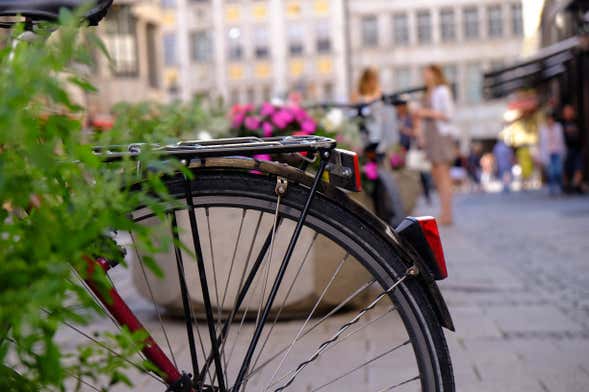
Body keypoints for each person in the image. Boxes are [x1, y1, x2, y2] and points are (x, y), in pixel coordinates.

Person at [413, 64, 457, 225]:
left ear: (435, 74)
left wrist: (426, 113)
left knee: (444, 175)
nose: (425, 76)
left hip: (440, 136)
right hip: (431, 136)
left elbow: (448, 114)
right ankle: (443, 212)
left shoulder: (442, 91)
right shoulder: (427, 93)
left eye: (428, 73)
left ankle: (447, 213)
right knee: (437, 177)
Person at [539, 111, 566, 195]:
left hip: (557, 151)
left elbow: (561, 140)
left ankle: (560, 188)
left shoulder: (558, 127)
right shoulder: (543, 129)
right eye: (548, 119)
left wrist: (564, 151)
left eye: (551, 119)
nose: (550, 121)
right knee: (551, 172)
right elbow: (542, 143)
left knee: (558, 171)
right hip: (548, 153)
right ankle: (552, 189)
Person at [561, 104, 584, 194]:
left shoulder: (577, 122)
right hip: (566, 149)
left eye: (570, 110)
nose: (568, 113)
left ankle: (576, 185)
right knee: (567, 168)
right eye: (566, 111)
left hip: (577, 148)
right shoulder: (561, 123)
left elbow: (581, 134)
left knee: (579, 167)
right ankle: (567, 186)